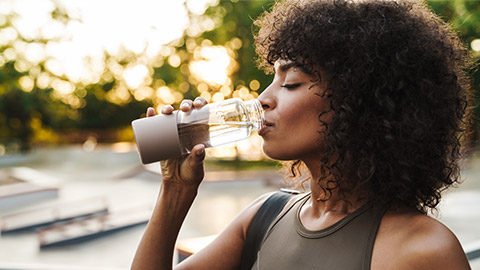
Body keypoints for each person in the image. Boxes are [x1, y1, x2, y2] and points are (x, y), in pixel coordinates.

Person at [131, 0, 473, 269]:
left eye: (290, 82)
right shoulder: (263, 217)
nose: (263, 98)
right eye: (273, 78)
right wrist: (175, 190)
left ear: (360, 102)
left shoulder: (423, 250)